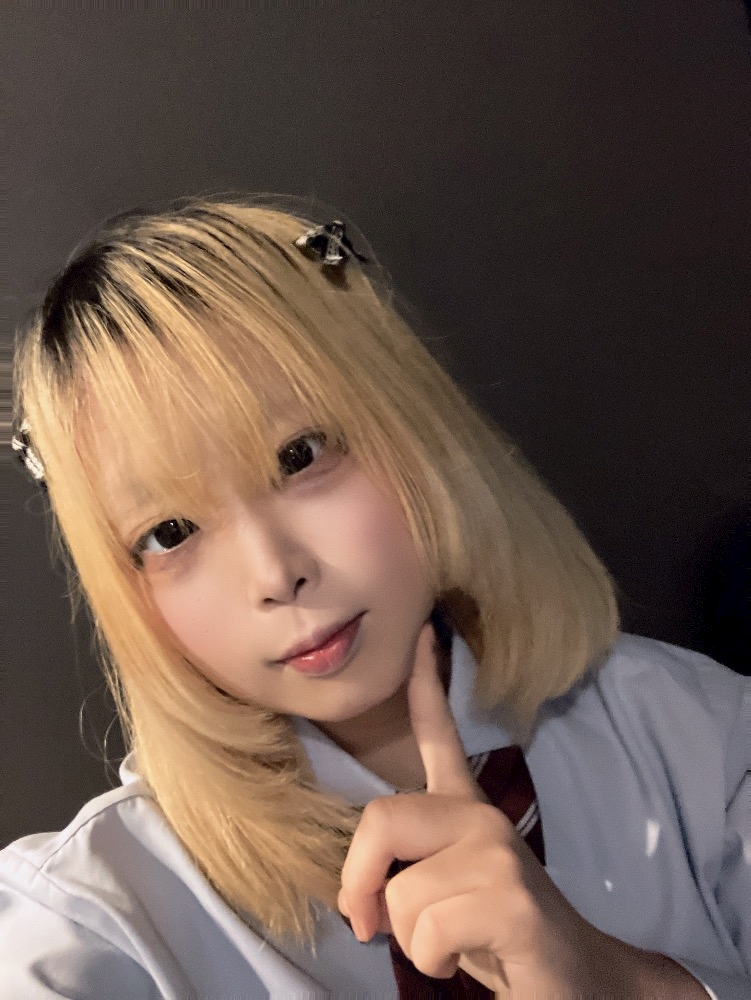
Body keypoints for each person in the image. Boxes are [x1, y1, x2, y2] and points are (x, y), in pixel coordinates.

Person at [2, 195, 748, 999]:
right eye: (170, 532)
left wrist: (621, 985)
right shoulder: (89, 919)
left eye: (299, 455)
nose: (273, 574)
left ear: (410, 422)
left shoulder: (702, 741)